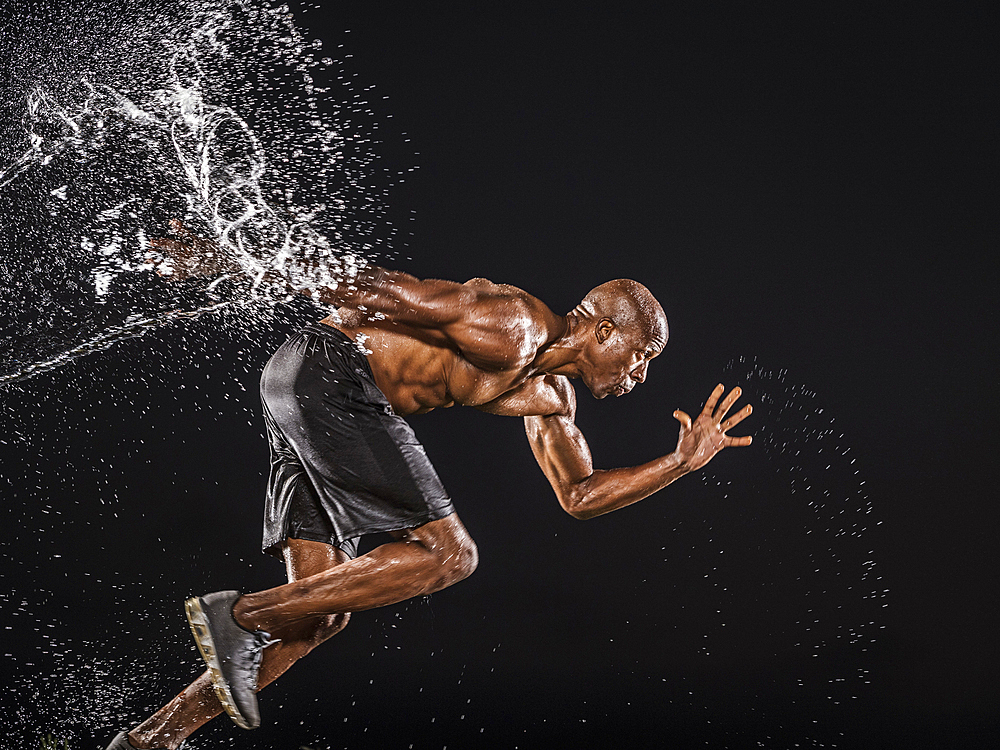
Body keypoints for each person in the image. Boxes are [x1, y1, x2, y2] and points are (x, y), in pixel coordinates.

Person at [106, 221, 752, 749]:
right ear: (605, 332)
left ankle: (153, 739)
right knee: (450, 555)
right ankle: (240, 615)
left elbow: (579, 495)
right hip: (328, 374)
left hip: (308, 398)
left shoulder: (549, 396)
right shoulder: (514, 323)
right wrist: (227, 259)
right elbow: (378, 290)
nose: (640, 376)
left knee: (320, 614)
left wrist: (681, 464)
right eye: (641, 356)